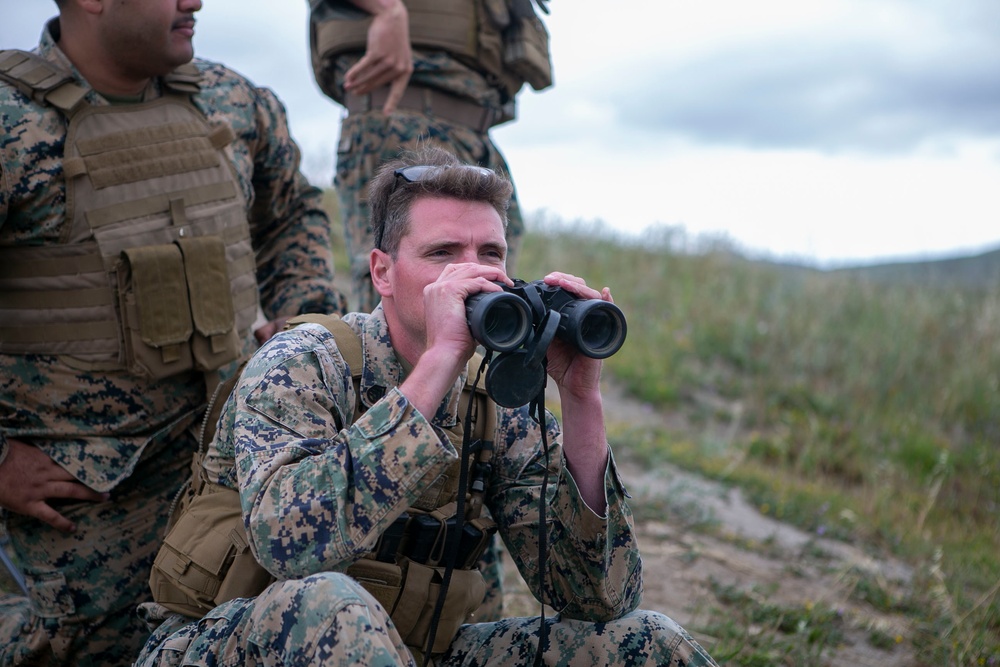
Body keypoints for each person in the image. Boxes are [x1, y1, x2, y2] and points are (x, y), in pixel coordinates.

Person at [133, 145, 719, 666]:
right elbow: (293, 545)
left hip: (412, 652)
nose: (475, 272)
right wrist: (440, 361)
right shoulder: (304, 361)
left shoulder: (496, 403)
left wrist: (581, 398)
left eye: (492, 253)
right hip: (238, 642)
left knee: (646, 642)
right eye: (443, 253)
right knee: (329, 605)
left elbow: (597, 596)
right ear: (382, 273)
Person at [0, 0, 347, 664]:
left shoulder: (232, 100)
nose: (196, 1)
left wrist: (301, 325)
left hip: (231, 480)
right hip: (84, 519)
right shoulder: (13, 124)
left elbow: (293, 209)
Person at [308, 0, 553, 312]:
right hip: (402, 114)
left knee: (486, 288)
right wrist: (387, 9)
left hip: (474, 127)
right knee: (405, 294)